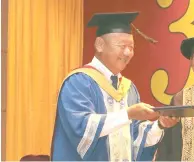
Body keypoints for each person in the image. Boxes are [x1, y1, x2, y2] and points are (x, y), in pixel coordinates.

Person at [51, 12, 177, 161]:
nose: (128, 52)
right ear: (100, 45)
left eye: (131, 47)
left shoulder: (129, 88)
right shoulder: (78, 82)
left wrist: (160, 124)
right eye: (122, 46)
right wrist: (128, 114)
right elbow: (83, 129)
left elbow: (135, 141)